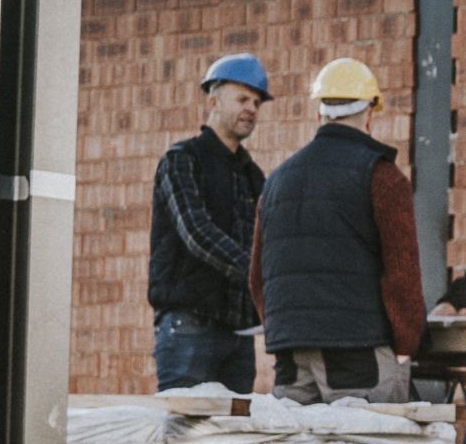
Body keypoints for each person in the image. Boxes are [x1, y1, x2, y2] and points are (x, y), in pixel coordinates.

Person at [254, 58, 425, 404]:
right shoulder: (381, 176)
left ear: (320, 116)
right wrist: (407, 345)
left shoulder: (276, 181)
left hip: (290, 357)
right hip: (359, 355)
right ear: (369, 115)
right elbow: (401, 274)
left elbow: (257, 278)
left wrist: (287, 330)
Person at [148, 53, 270, 392]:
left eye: (257, 103)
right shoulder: (181, 160)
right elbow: (196, 232)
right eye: (243, 99)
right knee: (185, 434)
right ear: (213, 101)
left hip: (239, 336)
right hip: (188, 327)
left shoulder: (253, 176)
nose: (252, 109)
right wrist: (256, 271)